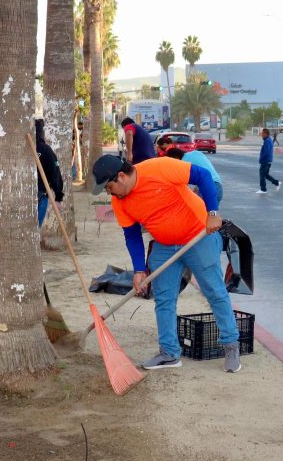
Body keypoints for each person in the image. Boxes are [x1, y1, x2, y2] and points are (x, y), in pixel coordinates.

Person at [91, 153, 241, 374]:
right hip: (164, 245)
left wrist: (212, 213)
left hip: (198, 236)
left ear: (121, 177)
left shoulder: (159, 168)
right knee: (164, 298)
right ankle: (169, 353)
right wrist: (139, 270)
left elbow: (203, 176)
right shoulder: (120, 200)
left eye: (108, 187)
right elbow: (131, 235)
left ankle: (231, 346)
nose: (108, 192)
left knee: (214, 292)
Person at [34, 119, 64, 227]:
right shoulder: (45, 149)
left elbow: (54, 172)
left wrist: (58, 196)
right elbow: (55, 173)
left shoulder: (22, 148)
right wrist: (59, 196)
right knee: (35, 229)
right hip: (40, 195)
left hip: (38, 194)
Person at [256, 128, 280, 194]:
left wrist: (262, 160)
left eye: (262, 133)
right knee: (265, 175)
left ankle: (263, 189)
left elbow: (266, 152)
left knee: (262, 175)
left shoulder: (267, 141)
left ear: (266, 134)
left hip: (265, 161)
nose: (261, 135)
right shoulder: (267, 140)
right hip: (268, 161)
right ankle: (276, 183)